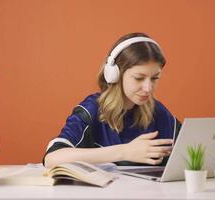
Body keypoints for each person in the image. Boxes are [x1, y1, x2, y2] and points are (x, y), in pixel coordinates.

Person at [43, 32, 181, 168]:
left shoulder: (157, 111)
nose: (148, 88)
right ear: (115, 74)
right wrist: (124, 152)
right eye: (139, 78)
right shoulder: (92, 109)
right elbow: (52, 158)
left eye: (155, 78)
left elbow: (194, 150)